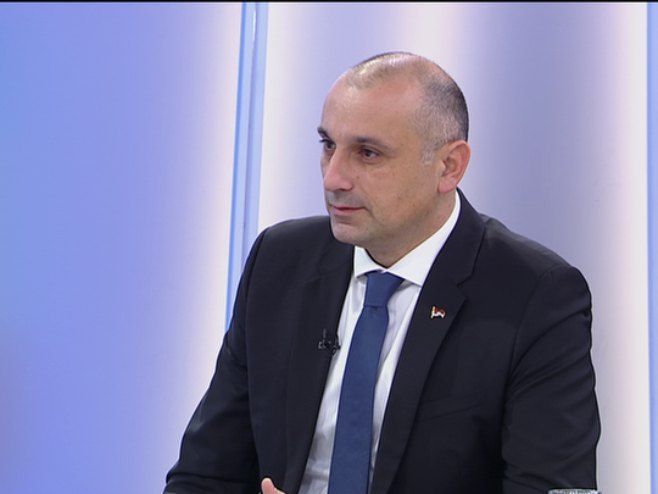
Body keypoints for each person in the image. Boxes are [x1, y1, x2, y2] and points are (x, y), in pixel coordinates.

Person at [164, 52, 600, 494]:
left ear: (449, 166)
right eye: (328, 146)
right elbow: (203, 476)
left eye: (367, 153)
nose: (334, 178)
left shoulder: (535, 296)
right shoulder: (279, 262)